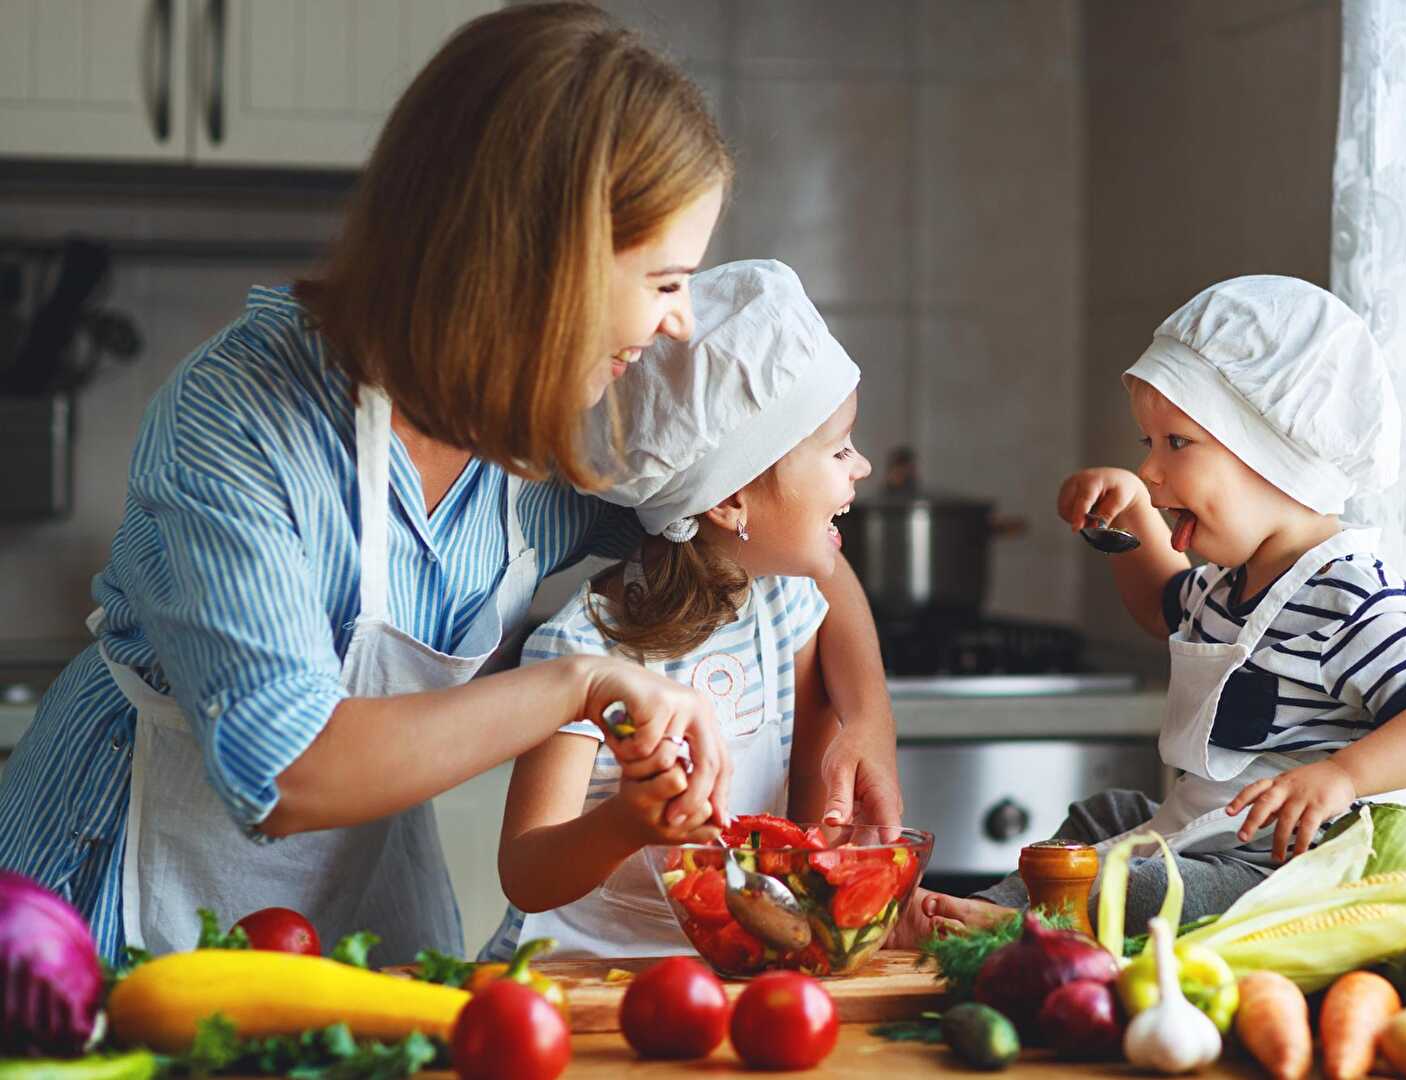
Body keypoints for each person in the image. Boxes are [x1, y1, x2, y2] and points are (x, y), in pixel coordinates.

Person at [0, 4, 900, 964]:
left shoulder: (545, 436)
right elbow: (287, 772)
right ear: (546, 259)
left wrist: (865, 717)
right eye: (664, 280)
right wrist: (580, 683)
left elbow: (751, 529)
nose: (677, 322)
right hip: (109, 919)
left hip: (361, 912)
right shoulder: (238, 421)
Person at [481, 260, 988, 961]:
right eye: (839, 448)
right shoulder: (586, 654)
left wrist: (853, 904)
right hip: (576, 985)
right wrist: (628, 823)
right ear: (729, 502)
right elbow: (527, 872)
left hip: (730, 975)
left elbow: (809, 798)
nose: (862, 467)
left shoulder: (784, 605)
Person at [976, 275, 1406, 935]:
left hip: (1291, 871)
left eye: (1176, 444)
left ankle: (1007, 927)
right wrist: (1131, 509)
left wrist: (1340, 776)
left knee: (1145, 887)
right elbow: (1162, 603)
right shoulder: (1229, 582)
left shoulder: (1349, 593)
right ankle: (991, 909)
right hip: (1210, 836)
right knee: (1101, 818)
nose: (1152, 470)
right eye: (1146, 446)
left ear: (1274, 454)